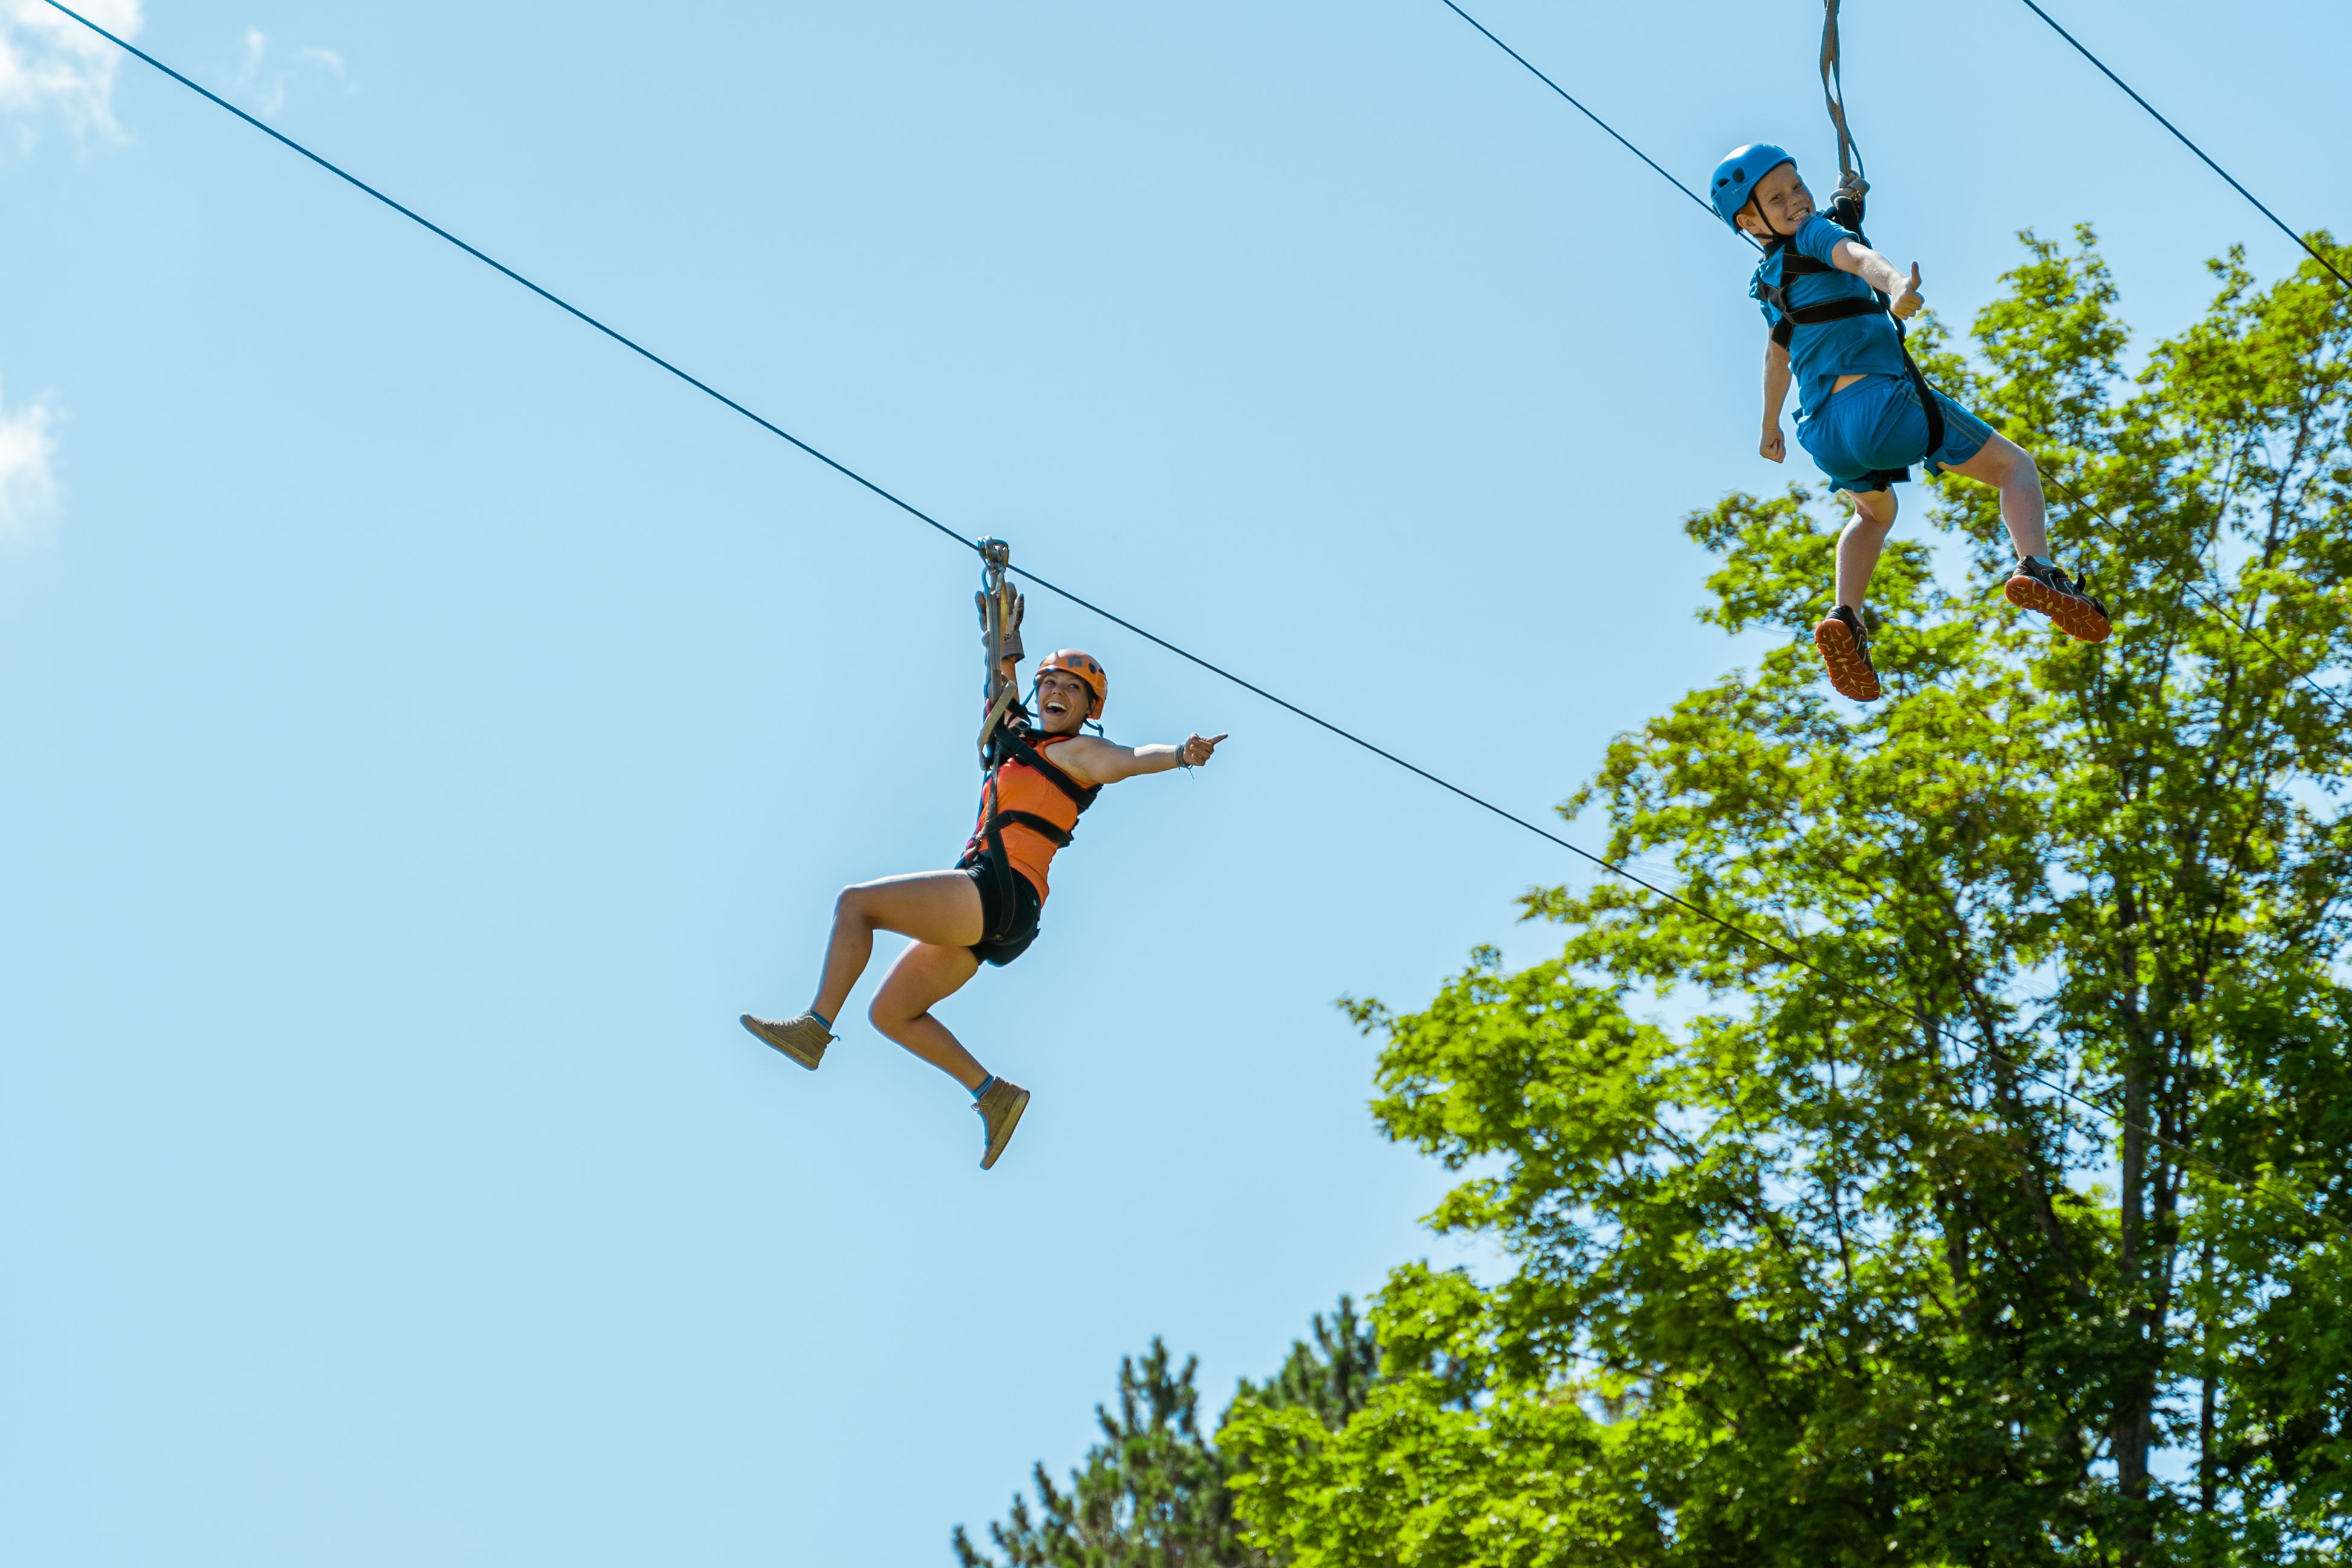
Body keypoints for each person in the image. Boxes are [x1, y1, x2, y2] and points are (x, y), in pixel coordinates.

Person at [742, 639, 1225, 1170]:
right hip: (1002, 909)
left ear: (1091, 711)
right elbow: (1002, 689)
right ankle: (993, 1094)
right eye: (1051, 683)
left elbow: (1132, 759)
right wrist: (1006, 639)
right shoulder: (1020, 740)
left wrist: (1181, 754)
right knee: (890, 1012)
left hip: (1000, 891)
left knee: (855, 905)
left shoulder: (1080, 753)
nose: (1057, 692)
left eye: (1072, 688)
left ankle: (815, 1028)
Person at [1708, 144, 2111, 701]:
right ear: (1749, 221)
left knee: (1874, 514)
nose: (1796, 200)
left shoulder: (1769, 281)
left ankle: (1845, 616)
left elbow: (1777, 358)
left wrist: (1768, 427)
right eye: (1777, 198)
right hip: (1883, 407)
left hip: (1824, 433)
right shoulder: (1817, 236)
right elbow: (1853, 255)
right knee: (2015, 468)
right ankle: (2036, 568)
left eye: (1797, 186)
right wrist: (1896, 285)